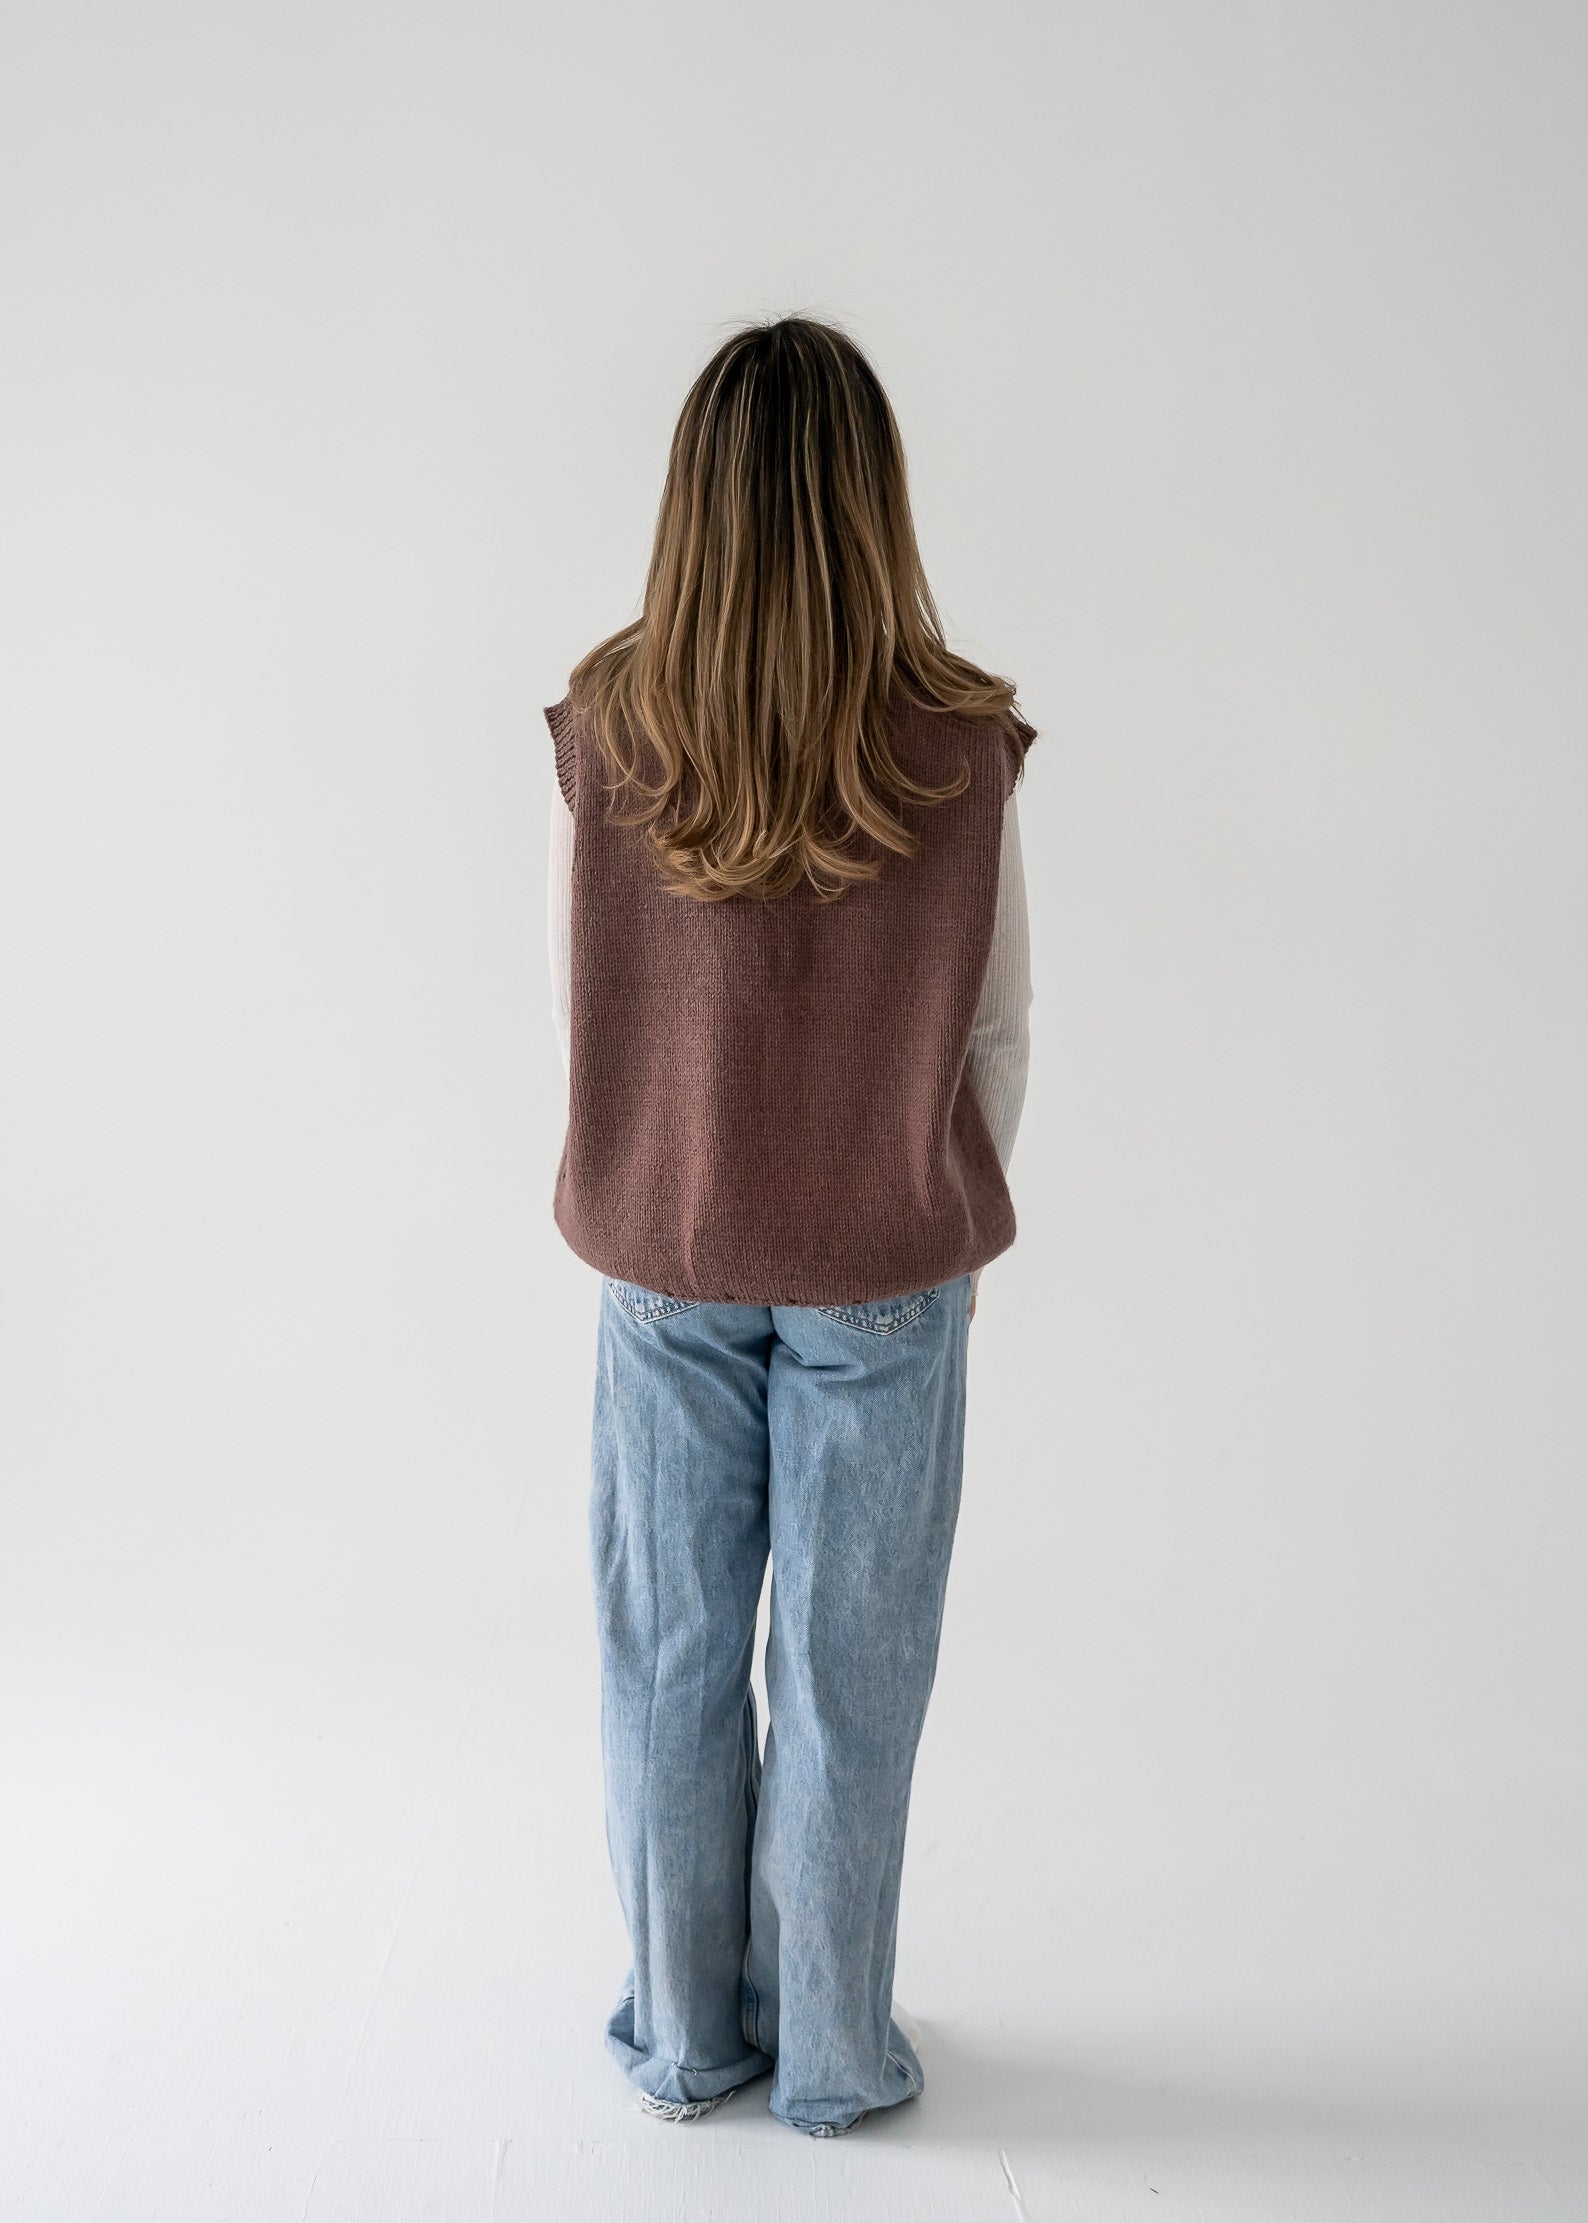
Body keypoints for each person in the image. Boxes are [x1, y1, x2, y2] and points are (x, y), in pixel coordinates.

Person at [543, 314, 1034, 2139]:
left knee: (667, 1660)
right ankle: (830, 2056)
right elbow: (998, 1029)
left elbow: (579, 998)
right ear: (870, 503)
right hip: (888, 1269)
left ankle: (688, 2039)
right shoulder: (960, 742)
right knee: (851, 1677)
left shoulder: (610, 724)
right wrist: (921, 1203)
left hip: (664, 1259)